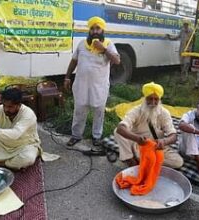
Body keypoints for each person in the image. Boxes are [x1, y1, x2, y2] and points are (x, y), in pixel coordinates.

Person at [64, 16, 120, 155]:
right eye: (92, 28)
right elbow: (73, 61)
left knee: (98, 112)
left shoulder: (108, 43)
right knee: (79, 110)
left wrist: (103, 49)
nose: (95, 31)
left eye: (98, 28)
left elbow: (117, 61)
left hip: (99, 87)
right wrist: (67, 77)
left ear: (102, 30)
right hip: (81, 85)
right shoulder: (82, 44)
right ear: (89, 30)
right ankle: (76, 136)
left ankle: (96, 137)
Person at [114, 82, 184, 169]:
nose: (153, 102)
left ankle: (147, 161)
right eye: (150, 99)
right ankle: (131, 160)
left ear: (159, 100)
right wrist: (137, 138)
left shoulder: (164, 113)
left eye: (156, 99)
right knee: (117, 131)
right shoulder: (136, 111)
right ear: (144, 98)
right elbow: (121, 128)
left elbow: (173, 136)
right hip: (138, 145)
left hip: (156, 146)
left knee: (178, 162)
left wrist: (164, 141)